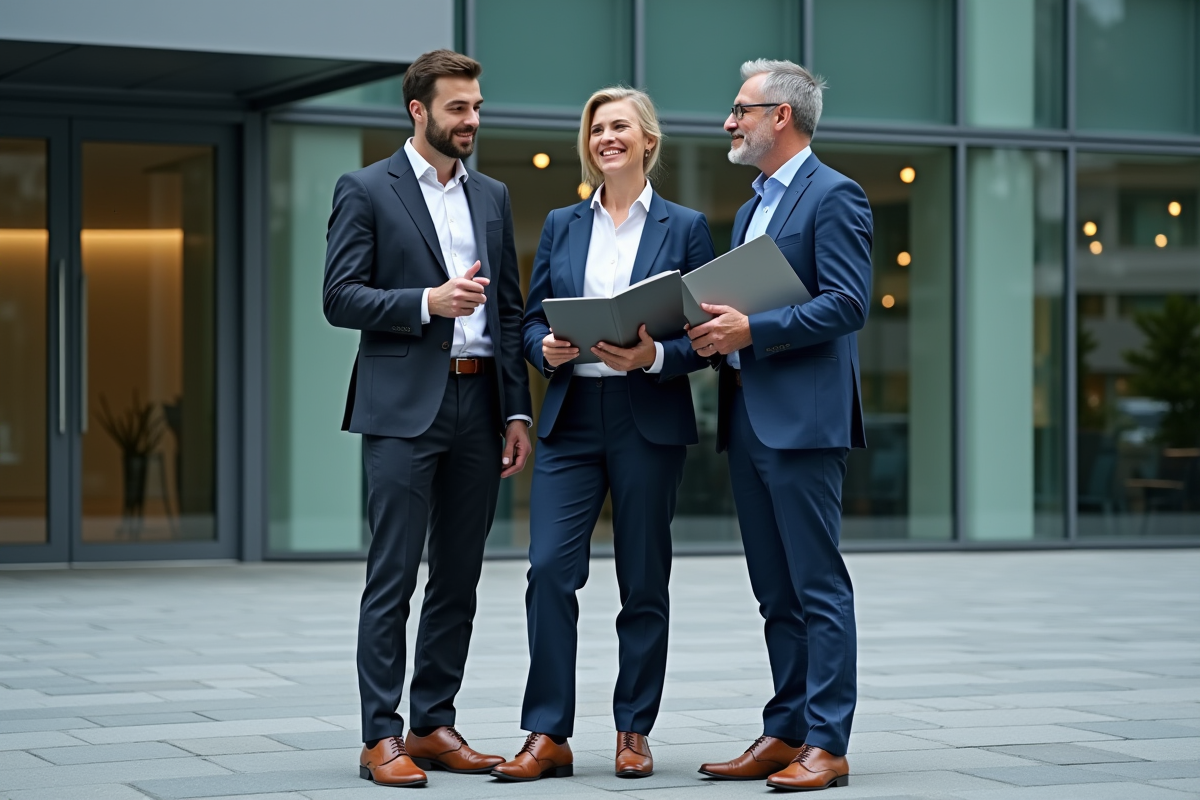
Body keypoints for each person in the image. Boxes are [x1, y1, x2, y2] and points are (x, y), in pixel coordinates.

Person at [490, 87, 715, 783]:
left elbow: (706, 337)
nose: (605, 137)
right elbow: (529, 321)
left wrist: (654, 356)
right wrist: (544, 351)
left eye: (619, 127)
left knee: (643, 580)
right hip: (573, 416)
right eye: (596, 129)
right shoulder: (561, 224)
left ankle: (633, 730)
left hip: (648, 416)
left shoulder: (686, 226)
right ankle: (547, 733)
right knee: (549, 571)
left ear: (648, 141)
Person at [322, 49, 533, 788]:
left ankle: (433, 723)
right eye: (457, 108)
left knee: (460, 575)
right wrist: (425, 302)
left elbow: (507, 308)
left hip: (479, 403)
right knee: (393, 575)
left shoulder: (495, 197)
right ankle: (380, 735)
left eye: (476, 106)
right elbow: (339, 296)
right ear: (419, 110)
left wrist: (515, 409)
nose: (471, 120)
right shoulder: (365, 189)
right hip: (403, 406)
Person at [688, 59, 872, 792]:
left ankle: (827, 743)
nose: (730, 122)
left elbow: (849, 304)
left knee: (817, 585)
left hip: (804, 421)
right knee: (775, 591)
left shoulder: (835, 195)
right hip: (750, 419)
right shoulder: (751, 206)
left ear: (780, 117)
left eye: (741, 110)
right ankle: (785, 729)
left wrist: (751, 332)